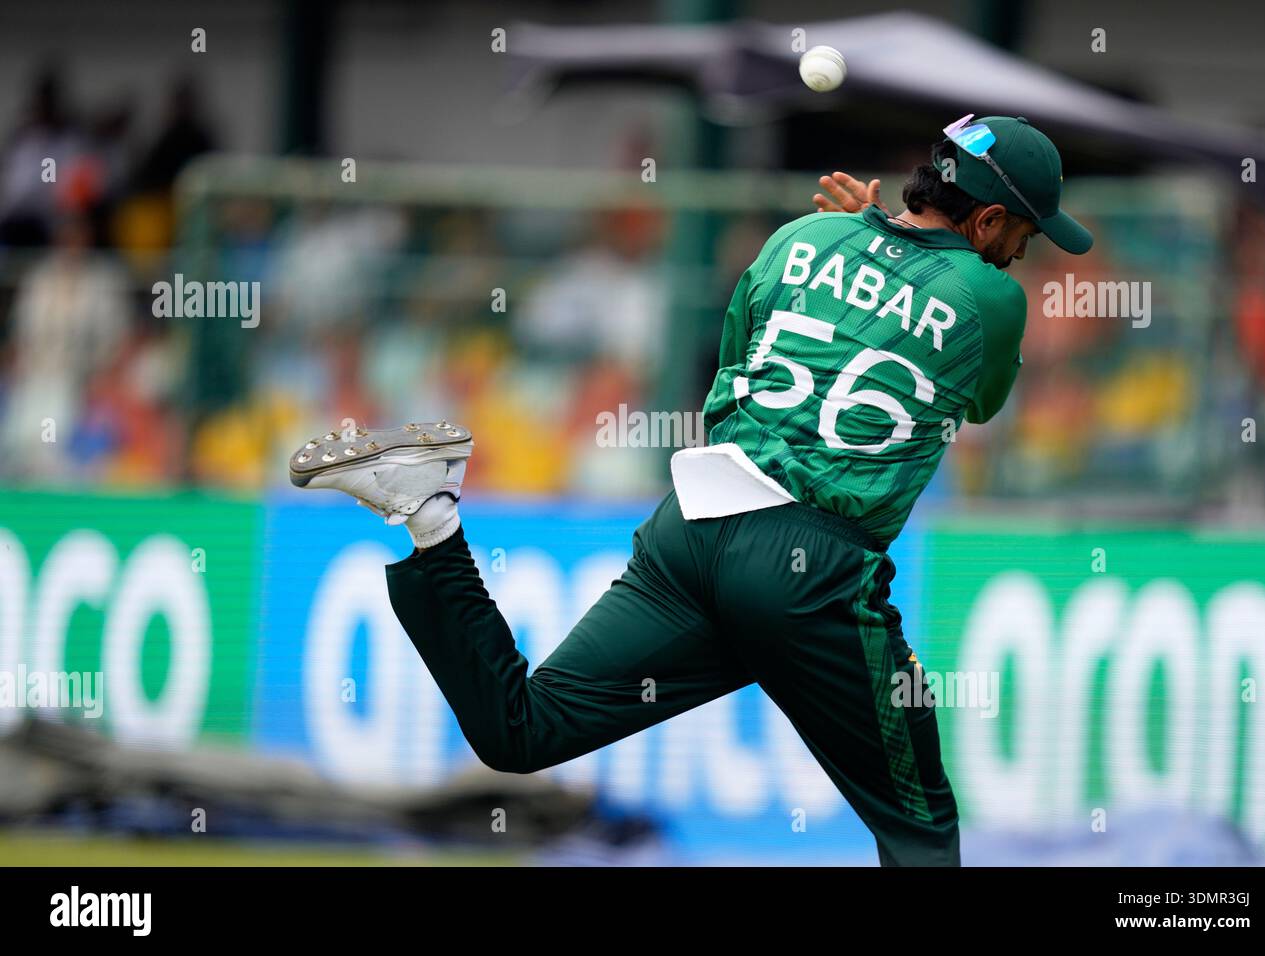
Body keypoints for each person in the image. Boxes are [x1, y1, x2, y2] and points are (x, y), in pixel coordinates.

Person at [289, 115, 1092, 866]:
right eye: (1021, 234)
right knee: (917, 823)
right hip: (807, 571)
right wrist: (903, 268)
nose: (1021, 254)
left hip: (694, 529)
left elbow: (743, 356)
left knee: (522, 732)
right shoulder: (991, 296)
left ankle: (431, 521)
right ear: (987, 223)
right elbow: (980, 399)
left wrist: (862, 245)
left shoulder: (804, 234)